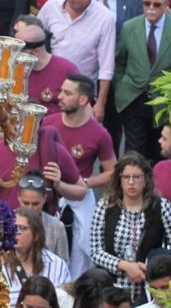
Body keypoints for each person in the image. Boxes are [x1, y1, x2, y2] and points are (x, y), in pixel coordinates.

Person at [44, 74, 117, 277]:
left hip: (80, 197)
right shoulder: (48, 123)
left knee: (83, 247)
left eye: (67, 93)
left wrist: (86, 182)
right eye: (61, 91)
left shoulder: (99, 134)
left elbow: (113, 171)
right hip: (50, 194)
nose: (59, 96)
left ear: (83, 100)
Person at [89, 152, 171, 303]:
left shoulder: (162, 207)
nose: (131, 182)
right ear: (119, 180)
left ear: (146, 179)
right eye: (126, 177)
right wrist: (124, 266)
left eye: (136, 177)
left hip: (150, 288)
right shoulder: (105, 206)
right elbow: (95, 251)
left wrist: (153, 266)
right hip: (113, 286)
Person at [112, 0, 171, 162]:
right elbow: (120, 62)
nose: (150, 8)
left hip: (164, 103)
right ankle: (132, 186)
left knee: (160, 152)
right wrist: (121, 88)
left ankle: (157, 188)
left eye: (156, 4)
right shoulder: (129, 27)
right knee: (134, 153)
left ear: (166, 5)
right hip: (133, 99)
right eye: (146, 3)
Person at [38, 0, 116, 93]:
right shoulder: (52, 5)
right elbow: (37, 37)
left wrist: (101, 102)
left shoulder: (104, 17)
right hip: (49, 84)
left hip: (82, 90)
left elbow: (106, 66)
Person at [4, 209, 71, 305]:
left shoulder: (57, 265)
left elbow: (65, 303)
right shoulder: (0, 265)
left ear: (36, 234)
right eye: (14, 228)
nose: (17, 232)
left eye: (22, 228)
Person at [16, 172, 70, 264]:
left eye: (35, 204)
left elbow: (63, 264)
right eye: (26, 203)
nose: (30, 208)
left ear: (44, 199)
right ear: (19, 197)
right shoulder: (7, 222)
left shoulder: (56, 227)